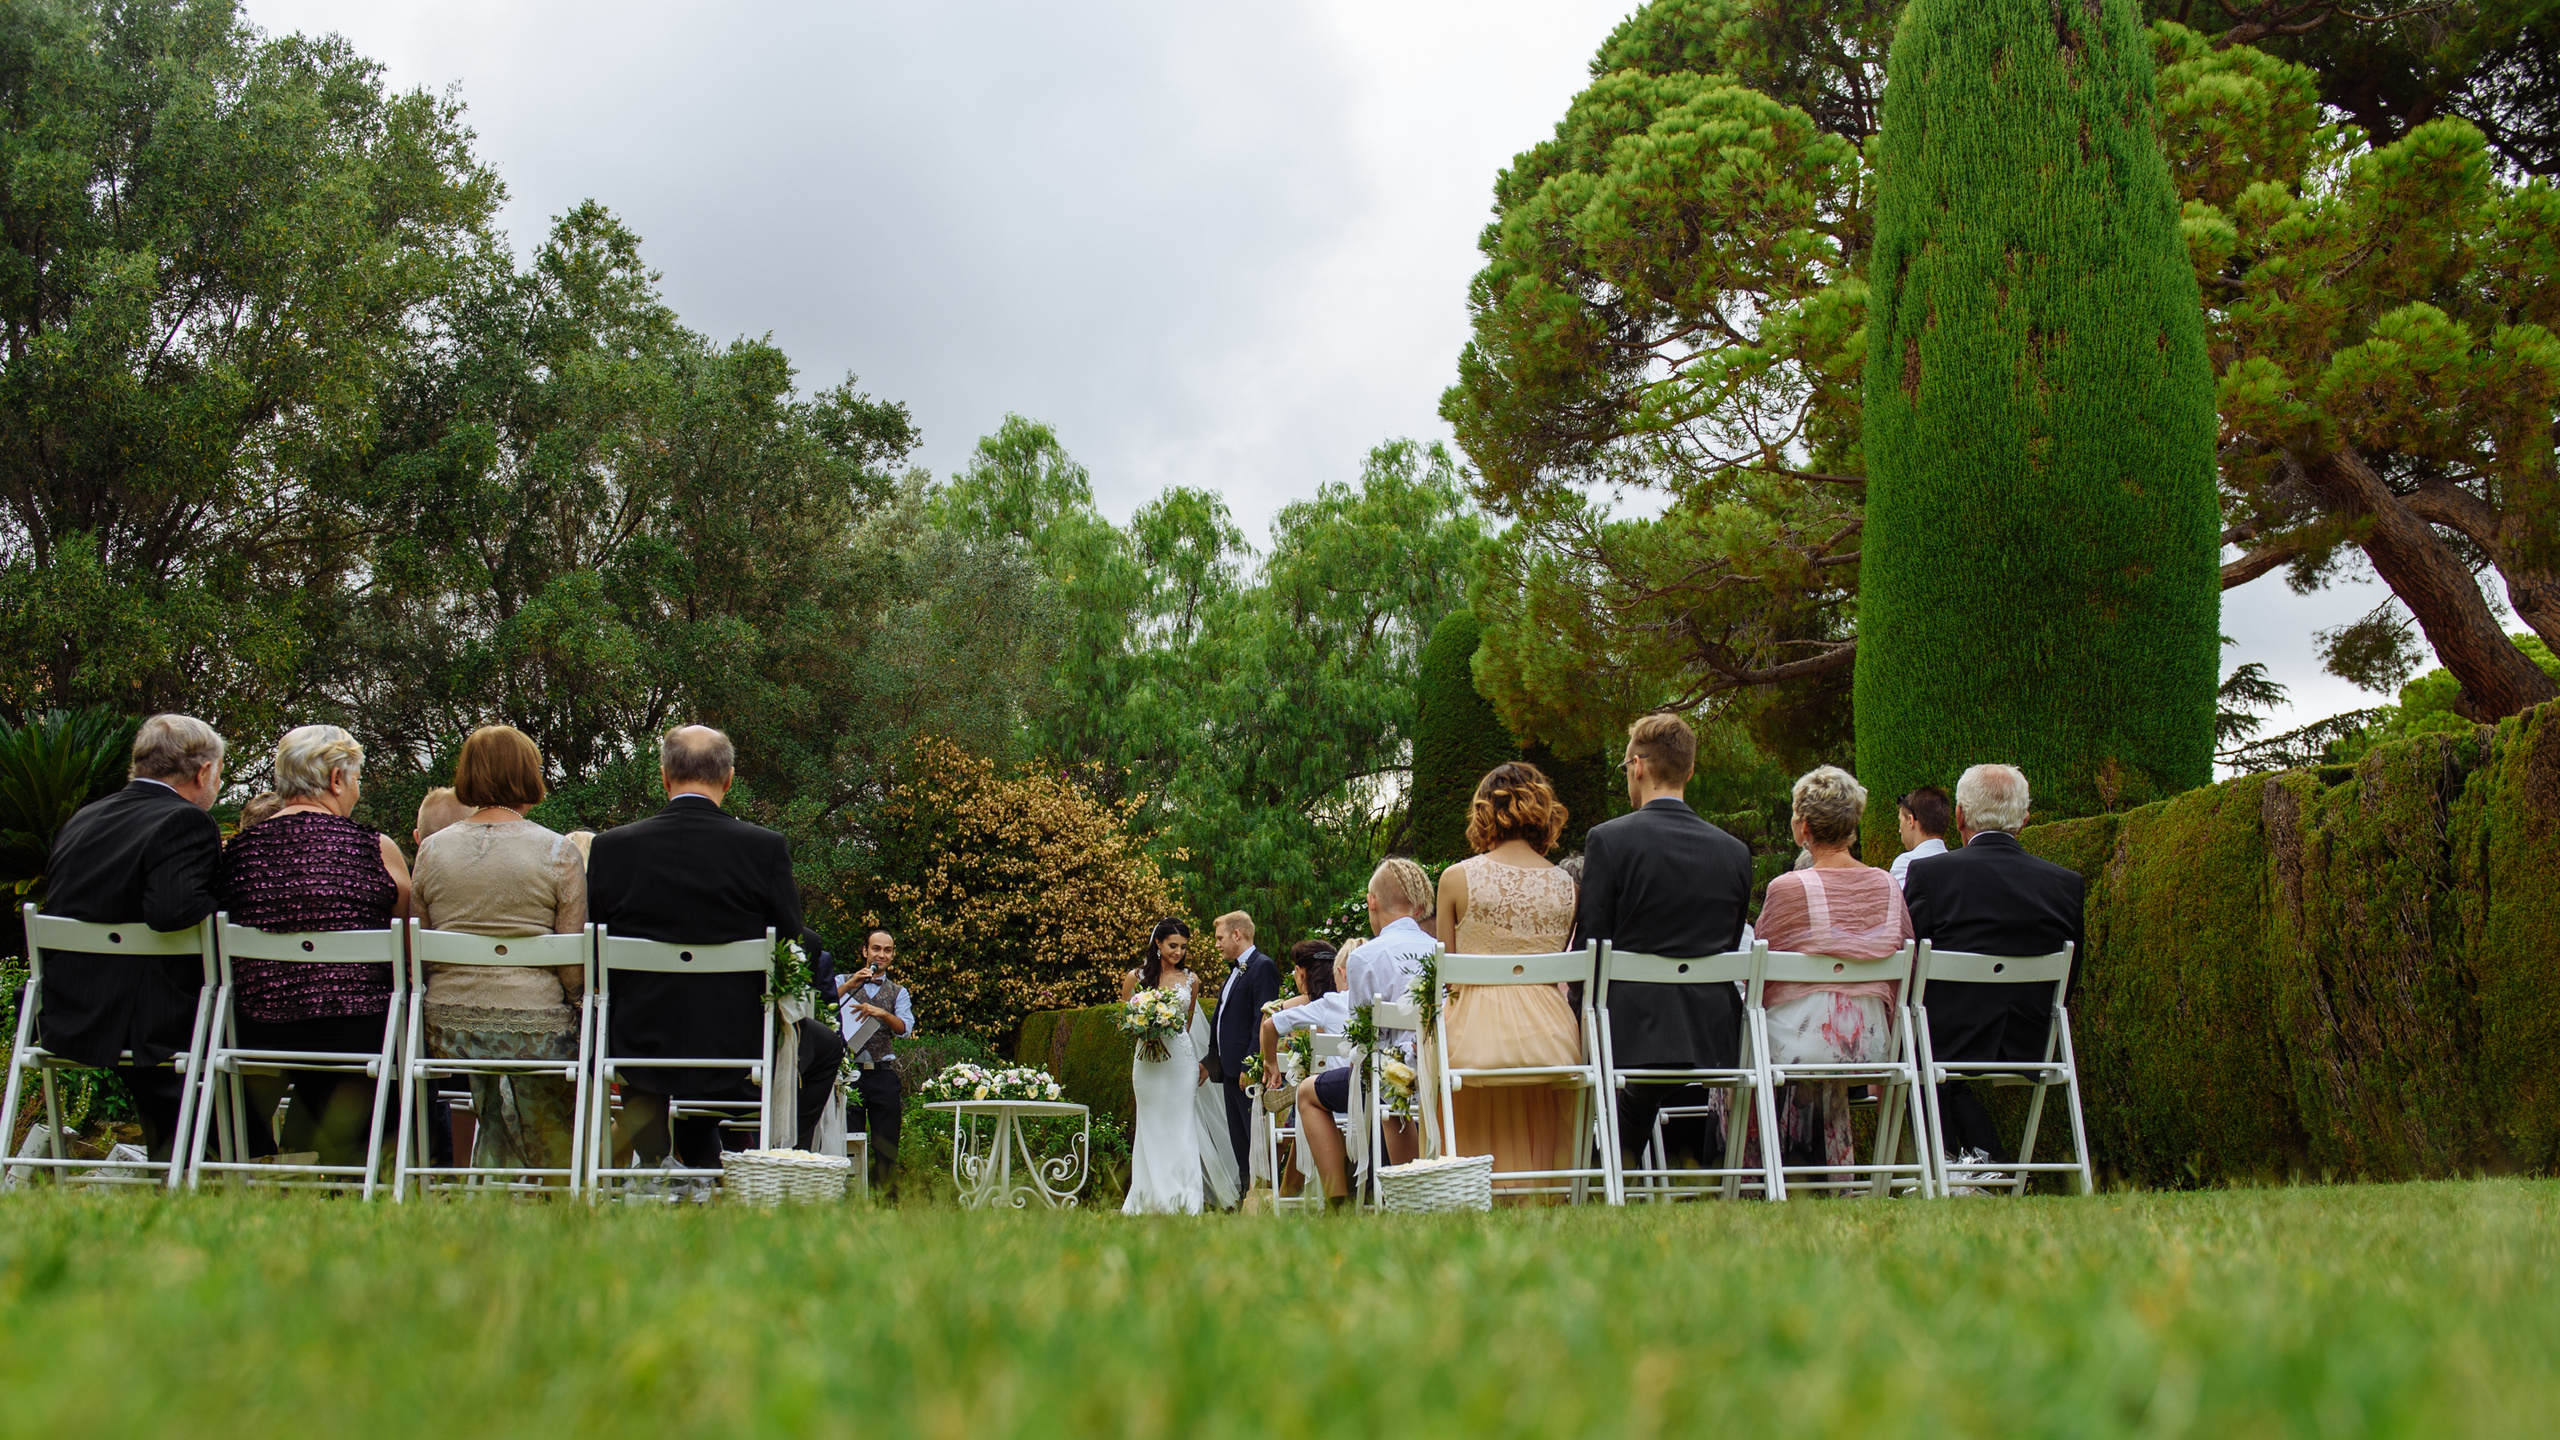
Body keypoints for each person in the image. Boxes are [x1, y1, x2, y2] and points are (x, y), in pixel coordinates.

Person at [587, 726, 810, 1168]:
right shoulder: (764, 848)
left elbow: (595, 946)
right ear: (729, 779)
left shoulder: (611, 848)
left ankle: (659, 1158)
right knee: (820, 1051)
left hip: (638, 1051)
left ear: (665, 777)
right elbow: (791, 942)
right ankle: (777, 1166)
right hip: (737, 1053)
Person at [217, 724, 412, 1165]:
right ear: (336, 780)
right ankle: (385, 1167)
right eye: (357, 779)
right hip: (360, 1033)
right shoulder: (374, 849)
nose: (356, 789)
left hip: (256, 1032)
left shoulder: (238, 853)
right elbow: (408, 935)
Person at [34, 714, 227, 1158]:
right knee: (259, 1016)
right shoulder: (187, 820)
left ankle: (187, 1159)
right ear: (203, 772)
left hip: (69, 1007)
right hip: (145, 1019)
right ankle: (227, 1160)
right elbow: (172, 911)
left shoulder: (85, 816)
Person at [1573, 712, 1753, 1166]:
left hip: (1629, 1034)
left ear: (1637, 766)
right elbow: (1729, 946)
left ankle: (1606, 1173)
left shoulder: (1608, 841)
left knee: (1634, 1090)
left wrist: (1576, 1019)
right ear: (1689, 770)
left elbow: (1591, 950)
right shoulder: (1734, 852)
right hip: (1716, 1034)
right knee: (1641, 1094)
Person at [411, 727, 588, 1182]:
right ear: (529, 774)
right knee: (570, 1036)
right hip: (535, 1028)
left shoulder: (430, 851)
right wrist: (578, 1004)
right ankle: (554, 1179)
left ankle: (493, 1176)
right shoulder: (558, 851)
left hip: (447, 1028)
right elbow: (571, 965)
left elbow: (422, 950)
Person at [1902, 763, 2085, 1190]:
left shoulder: (1930, 875)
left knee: (1905, 1036)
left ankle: (1940, 1168)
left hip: (1942, 1044)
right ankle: (1976, 1165)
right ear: (2025, 820)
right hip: (2034, 1044)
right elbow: (2068, 979)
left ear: (1960, 816)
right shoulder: (2066, 884)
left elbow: (1911, 968)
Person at [1745, 765, 1915, 1174]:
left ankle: (1755, 1172)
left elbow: (1762, 970)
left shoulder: (1788, 887)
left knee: (1742, 1025)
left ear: (1804, 827)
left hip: (1802, 1041)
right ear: (1853, 825)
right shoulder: (1888, 884)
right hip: (1873, 1043)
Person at [1434, 762, 1583, 1198]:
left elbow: (1450, 978)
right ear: (1542, 811)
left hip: (1472, 1037)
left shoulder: (1456, 878)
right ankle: (1540, 1189)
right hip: (1552, 1037)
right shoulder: (1567, 886)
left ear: (1484, 813)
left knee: (1436, 1038)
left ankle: (1465, 1185)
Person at [1296, 859, 1438, 1205]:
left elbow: (1362, 1036)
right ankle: (1413, 1190)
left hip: (1392, 1079)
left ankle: (1337, 1201)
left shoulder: (1365, 957)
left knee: (1307, 1093)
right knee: (1388, 1078)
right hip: (1441, 1067)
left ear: (1372, 902)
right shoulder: (1439, 948)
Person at [1120, 918, 1239, 1215]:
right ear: (1158, 944)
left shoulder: (1191, 980)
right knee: (1151, 1125)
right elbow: (1126, 1021)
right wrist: (1146, 1027)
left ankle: (1186, 1200)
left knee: (1182, 1125)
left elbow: (1185, 1025)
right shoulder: (1134, 978)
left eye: (1183, 947)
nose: (1178, 952)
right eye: (1173, 945)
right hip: (1146, 1062)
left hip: (1181, 1063)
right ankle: (1148, 1198)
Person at [835, 927, 911, 1194]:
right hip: (847, 1075)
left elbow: (904, 1029)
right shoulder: (842, 980)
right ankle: (848, 1198)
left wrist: (880, 1012)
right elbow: (821, 1007)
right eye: (876, 948)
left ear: (892, 956)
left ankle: (885, 1202)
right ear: (865, 951)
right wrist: (850, 984)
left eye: (887, 950)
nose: (881, 954)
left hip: (881, 1073)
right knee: (845, 1142)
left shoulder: (898, 992)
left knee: (886, 1143)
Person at [1206, 910, 1280, 1184]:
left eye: (1220, 937)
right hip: (1228, 1070)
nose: (1217, 944)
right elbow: (1226, 1020)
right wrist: (1209, 1061)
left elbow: (1262, 1019)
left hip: (1245, 1071)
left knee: (1253, 1136)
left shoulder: (1262, 966)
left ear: (1237, 934)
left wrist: (1251, 1063)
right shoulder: (1236, 971)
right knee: (1238, 1137)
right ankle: (1245, 1193)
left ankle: (1262, 1192)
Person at [1889, 785, 1953, 891]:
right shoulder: (1959, 865)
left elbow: (1902, 906)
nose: (1899, 830)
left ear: (1910, 820)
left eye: (1900, 821)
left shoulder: (1905, 863)